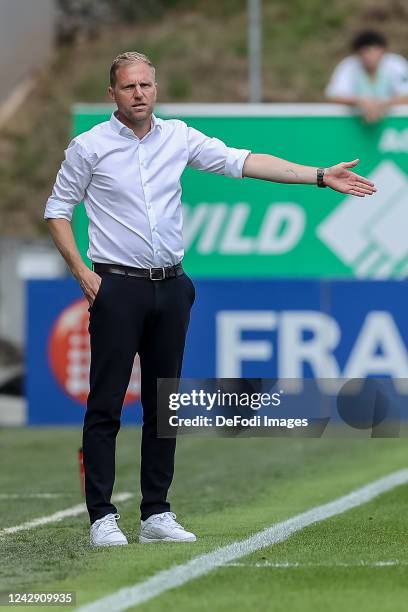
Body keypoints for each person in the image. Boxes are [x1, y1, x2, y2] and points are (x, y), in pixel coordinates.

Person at [44, 51, 376, 547]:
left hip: (172, 286)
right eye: (129, 86)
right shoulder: (89, 147)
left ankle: (156, 512)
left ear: (156, 89)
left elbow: (243, 161)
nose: (140, 93)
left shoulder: (178, 136)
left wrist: (317, 175)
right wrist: (83, 276)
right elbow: (57, 210)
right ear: (111, 94)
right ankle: (101, 517)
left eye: (147, 85)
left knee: (164, 404)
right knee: (107, 403)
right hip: (117, 286)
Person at [325, 30, 408, 123]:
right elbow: (333, 95)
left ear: (383, 51)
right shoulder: (348, 66)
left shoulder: (396, 64)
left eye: (375, 49)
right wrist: (359, 102)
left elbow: (406, 95)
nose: (370, 55)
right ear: (358, 53)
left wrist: (384, 104)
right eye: (366, 50)